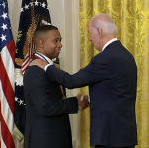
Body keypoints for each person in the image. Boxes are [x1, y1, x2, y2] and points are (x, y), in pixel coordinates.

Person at [29, 13, 138, 148]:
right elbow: (115, 92)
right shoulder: (126, 55)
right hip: (124, 135)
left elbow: (71, 81)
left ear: (99, 31)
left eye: (90, 33)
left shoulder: (105, 58)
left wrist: (46, 66)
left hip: (110, 136)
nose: (90, 39)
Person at [23, 25, 89, 148]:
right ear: (41, 43)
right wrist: (75, 103)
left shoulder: (48, 67)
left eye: (60, 40)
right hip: (44, 141)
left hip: (54, 139)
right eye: (56, 41)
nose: (60, 45)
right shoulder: (35, 70)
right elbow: (44, 107)